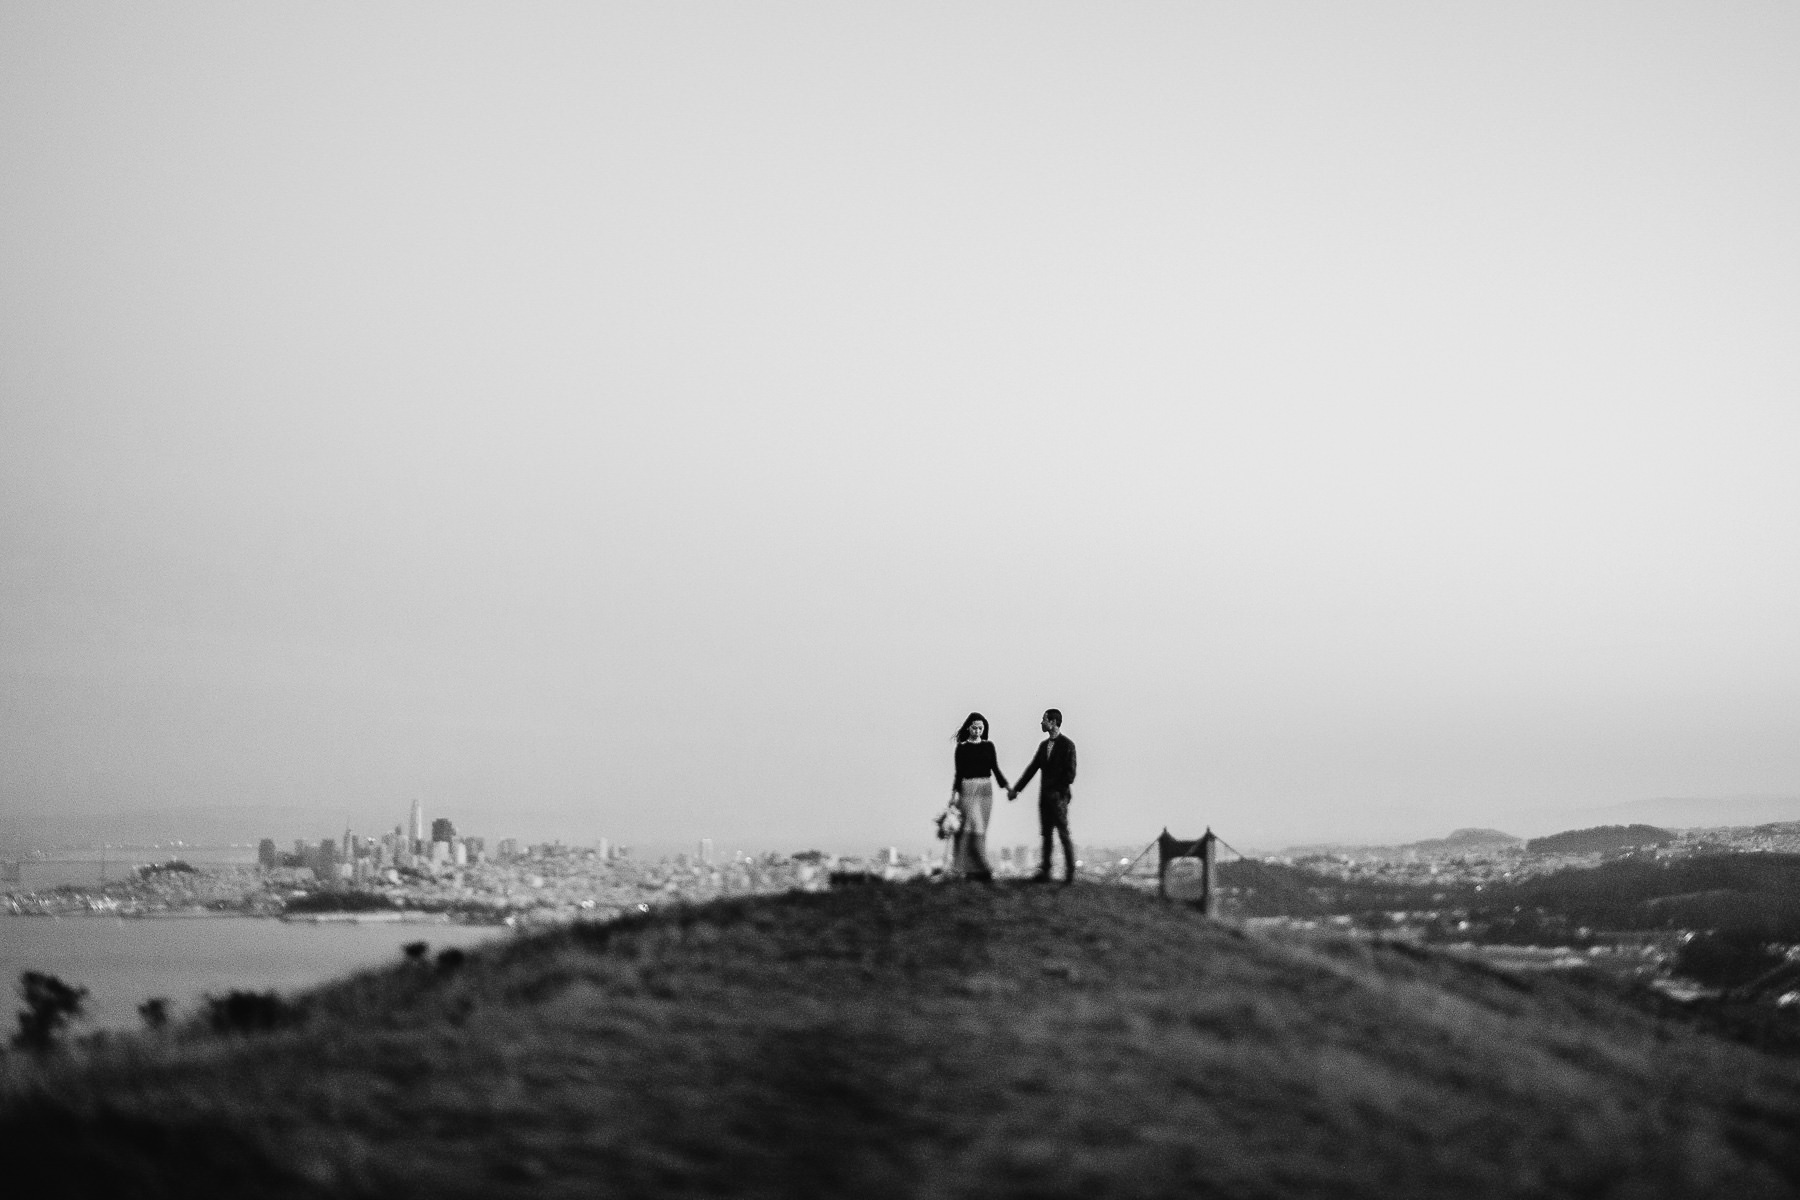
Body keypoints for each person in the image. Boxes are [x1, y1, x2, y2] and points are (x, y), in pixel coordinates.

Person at [1007, 709, 1077, 883]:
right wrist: (1016, 789)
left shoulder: (1068, 745)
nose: (1041, 723)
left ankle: (1070, 874)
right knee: (1046, 834)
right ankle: (1046, 871)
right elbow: (1032, 769)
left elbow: (1070, 774)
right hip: (1045, 797)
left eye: (1044, 720)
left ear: (1052, 722)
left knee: (1063, 834)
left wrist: (1057, 791)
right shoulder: (1043, 746)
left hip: (1058, 797)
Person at [949, 712, 1009, 882]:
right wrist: (954, 795)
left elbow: (995, 769)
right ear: (969, 727)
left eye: (980, 728)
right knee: (969, 827)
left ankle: (975, 869)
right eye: (974, 727)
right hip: (967, 789)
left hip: (985, 790)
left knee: (981, 828)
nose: (977, 731)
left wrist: (1007, 787)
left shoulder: (988, 746)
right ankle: (973, 866)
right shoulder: (961, 748)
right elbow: (958, 773)